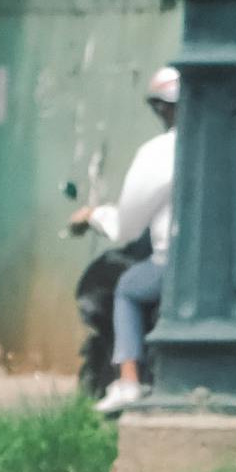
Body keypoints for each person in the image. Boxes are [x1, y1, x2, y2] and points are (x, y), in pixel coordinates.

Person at [70, 67, 185, 410]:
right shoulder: (230, 144)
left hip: (173, 266)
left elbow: (127, 227)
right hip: (231, 268)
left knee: (130, 287)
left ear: (164, 108)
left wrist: (93, 216)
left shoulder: (159, 152)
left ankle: (129, 381)